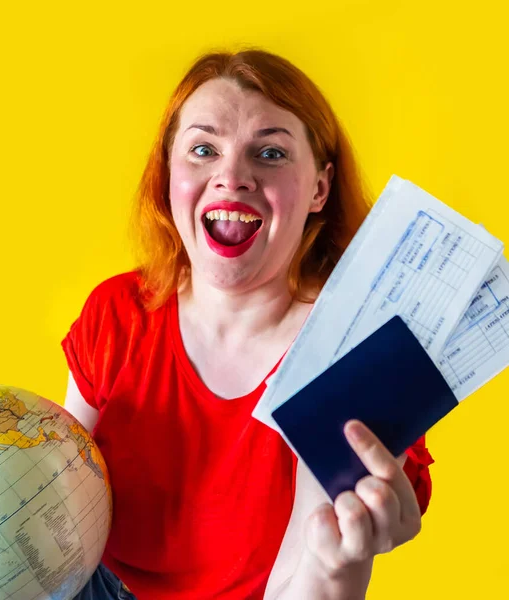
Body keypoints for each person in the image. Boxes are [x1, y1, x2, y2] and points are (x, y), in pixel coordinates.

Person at [63, 49, 434, 600]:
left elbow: (305, 583)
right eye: (203, 149)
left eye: (270, 153)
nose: (231, 177)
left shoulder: (354, 359)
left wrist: (338, 565)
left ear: (319, 189)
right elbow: (59, 502)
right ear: (169, 174)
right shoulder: (117, 312)